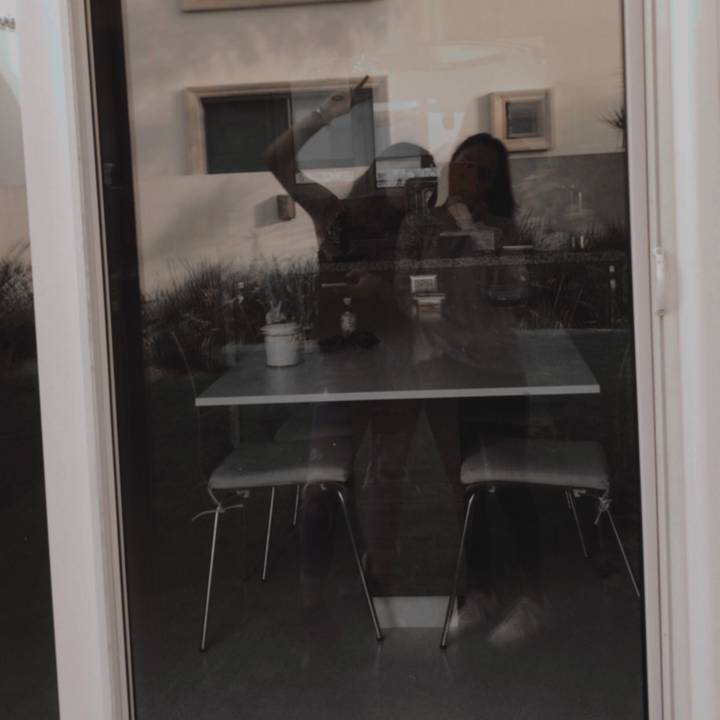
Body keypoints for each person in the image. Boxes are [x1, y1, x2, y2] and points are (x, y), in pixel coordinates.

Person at [263, 78, 437, 604]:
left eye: (420, 178)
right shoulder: (334, 215)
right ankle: (314, 590)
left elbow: (430, 309)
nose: (408, 185)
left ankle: (380, 577)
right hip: (342, 367)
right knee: (322, 480)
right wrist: (325, 114)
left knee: (387, 476)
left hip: (400, 365)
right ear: (378, 173)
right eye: (398, 173)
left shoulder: (421, 233)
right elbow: (276, 161)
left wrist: (390, 294)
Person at [394, 132, 544, 646]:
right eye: (464, 163)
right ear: (449, 166)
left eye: (483, 171)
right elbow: (411, 293)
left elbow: (514, 291)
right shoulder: (419, 226)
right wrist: (457, 337)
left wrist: (479, 234)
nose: (470, 175)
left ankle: (535, 596)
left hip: (499, 368)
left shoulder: (501, 228)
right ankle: (480, 591)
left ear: (494, 182)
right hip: (445, 366)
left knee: (510, 477)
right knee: (464, 482)